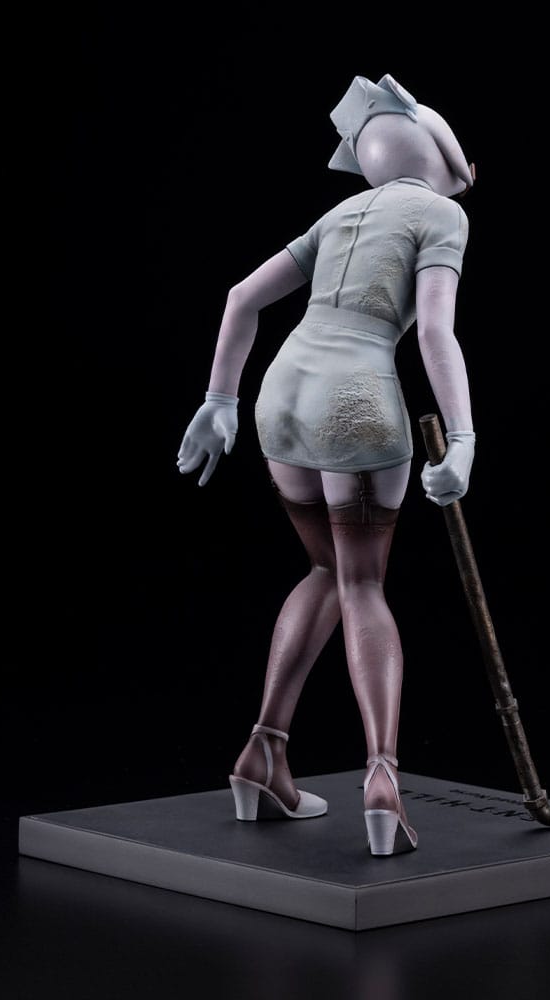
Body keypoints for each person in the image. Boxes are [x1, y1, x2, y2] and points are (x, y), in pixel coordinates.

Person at [177, 74, 476, 856]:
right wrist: (465, 437)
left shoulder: (341, 212)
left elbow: (241, 297)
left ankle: (263, 751)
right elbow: (434, 332)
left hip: (282, 395)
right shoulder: (443, 214)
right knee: (363, 582)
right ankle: (382, 778)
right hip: (356, 401)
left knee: (324, 568)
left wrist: (220, 399)